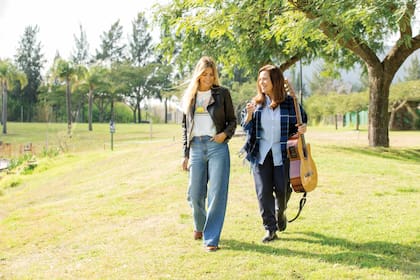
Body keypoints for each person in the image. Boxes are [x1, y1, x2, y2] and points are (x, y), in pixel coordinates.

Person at [241, 64, 307, 243]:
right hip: (260, 154)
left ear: (275, 81)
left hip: (283, 154)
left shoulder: (289, 102)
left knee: (283, 190)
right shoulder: (256, 103)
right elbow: (245, 127)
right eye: (260, 79)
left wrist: (302, 128)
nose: (262, 82)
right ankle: (270, 229)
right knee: (263, 192)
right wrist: (248, 116)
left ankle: (281, 212)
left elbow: (302, 121)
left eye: (265, 79)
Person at [181, 56, 237, 252]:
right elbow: (185, 126)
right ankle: (199, 224)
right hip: (196, 146)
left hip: (217, 147)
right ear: (198, 74)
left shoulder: (222, 94)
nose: (208, 78)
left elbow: (232, 121)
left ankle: (211, 238)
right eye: (205, 74)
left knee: (217, 193)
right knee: (195, 194)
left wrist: (224, 135)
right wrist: (185, 154)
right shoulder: (191, 96)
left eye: (211, 74)